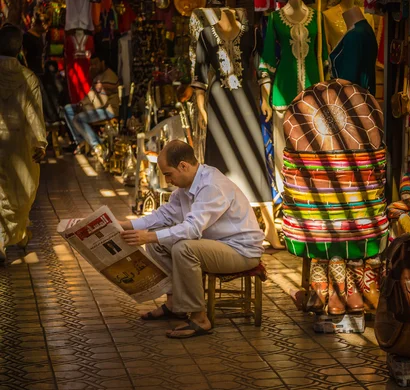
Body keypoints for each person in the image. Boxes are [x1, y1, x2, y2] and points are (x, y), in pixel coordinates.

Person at [118, 140, 265, 339]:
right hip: (215, 245)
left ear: (183, 166)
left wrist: (149, 235)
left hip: (241, 251)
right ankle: (174, 305)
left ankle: (199, 318)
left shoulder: (211, 185)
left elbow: (192, 228)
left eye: (168, 174)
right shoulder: (185, 188)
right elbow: (163, 216)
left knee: (183, 248)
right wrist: (123, 225)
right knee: (157, 242)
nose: (168, 180)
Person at [0, 24, 47, 263]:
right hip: (18, 145)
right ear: (19, 48)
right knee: (20, 192)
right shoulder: (28, 78)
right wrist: (39, 143)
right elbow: (34, 115)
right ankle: (12, 236)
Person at [63, 66, 119, 160]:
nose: (92, 65)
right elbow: (91, 95)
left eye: (95, 63)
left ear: (102, 63)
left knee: (78, 118)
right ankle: (81, 141)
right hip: (95, 108)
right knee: (68, 109)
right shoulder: (97, 76)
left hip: (108, 110)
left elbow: (101, 102)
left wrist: (84, 107)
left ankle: (97, 145)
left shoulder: (109, 76)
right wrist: (81, 104)